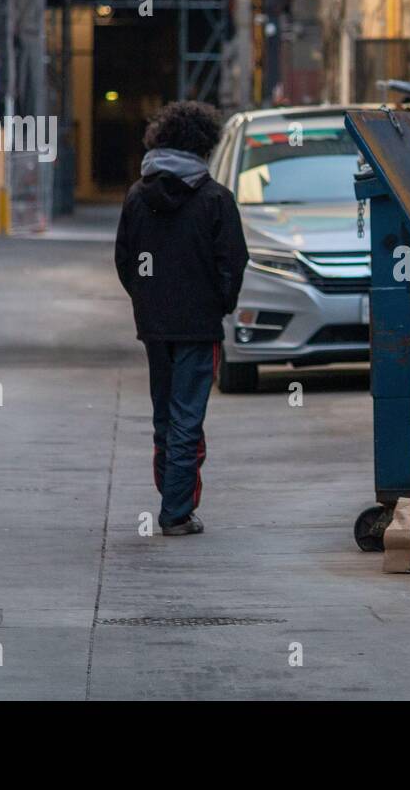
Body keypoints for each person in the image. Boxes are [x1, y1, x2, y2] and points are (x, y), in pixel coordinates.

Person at [115, 101, 248, 536]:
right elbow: (233, 261)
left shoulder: (137, 196)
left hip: (155, 326)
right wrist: (219, 304)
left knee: (164, 417)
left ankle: (171, 500)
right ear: (204, 145)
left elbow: (125, 260)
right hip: (198, 325)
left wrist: (147, 300)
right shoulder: (215, 199)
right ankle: (175, 512)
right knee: (188, 418)